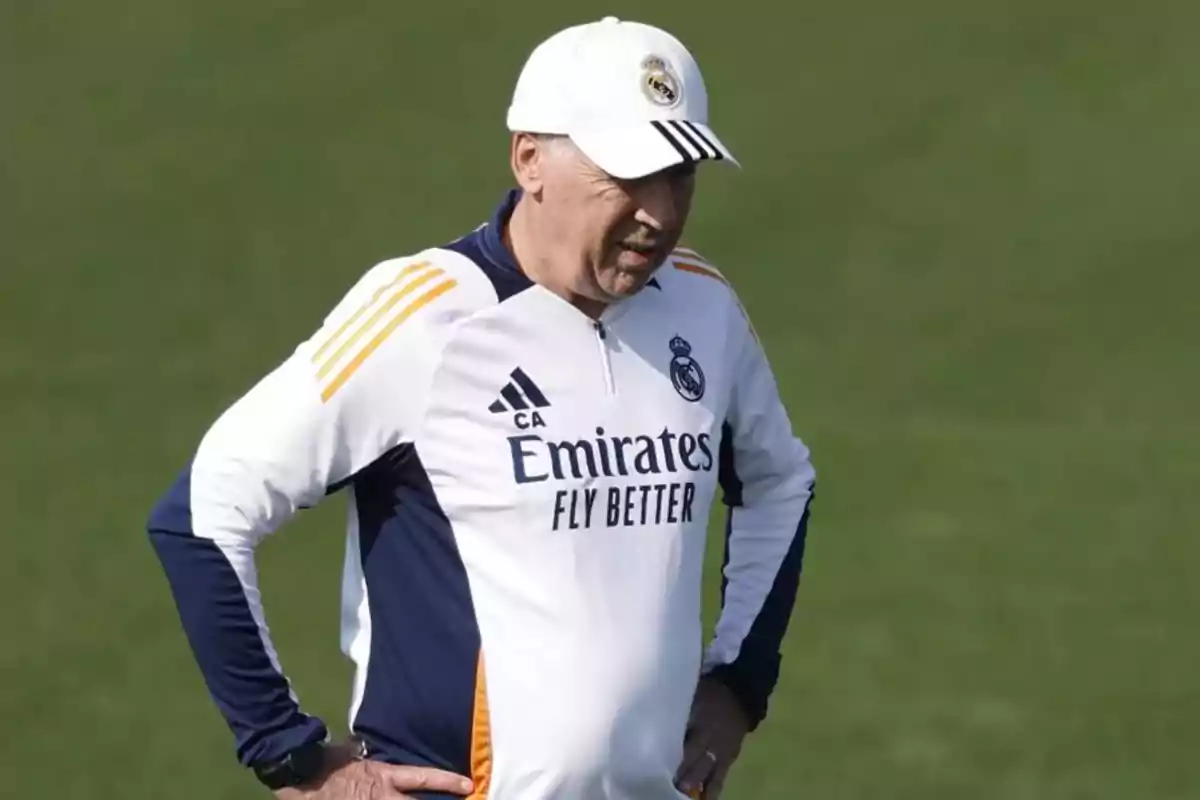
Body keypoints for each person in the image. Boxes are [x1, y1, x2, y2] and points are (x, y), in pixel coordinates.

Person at [147, 15, 816, 800]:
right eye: (628, 176)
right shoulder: (426, 317)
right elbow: (204, 509)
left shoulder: (703, 307)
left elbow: (780, 482)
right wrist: (290, 755)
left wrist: (741, 679)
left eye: (679, 176)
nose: (660, 214)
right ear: (530, 159)